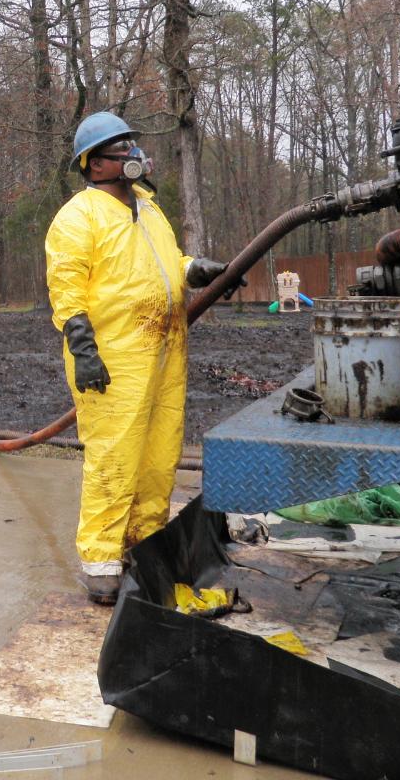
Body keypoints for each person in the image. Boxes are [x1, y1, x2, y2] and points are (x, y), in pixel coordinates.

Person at [45, 111, 235, 605]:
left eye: (132, 144)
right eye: (120, 148)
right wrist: (84, 351)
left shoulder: (148, 207)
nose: (133, 154)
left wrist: (197, 271)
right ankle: (102, 559)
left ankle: (144, 542)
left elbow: (166, 264)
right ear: (94, 164)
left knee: (158, 456)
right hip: (114, 359)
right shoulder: (78, 216)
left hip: (165, 352)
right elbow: (67, 292)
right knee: (114, 457)